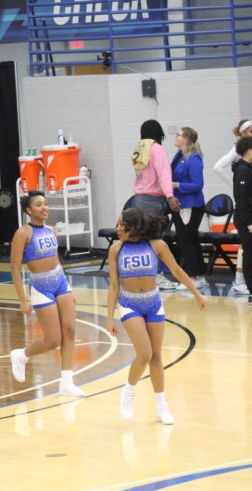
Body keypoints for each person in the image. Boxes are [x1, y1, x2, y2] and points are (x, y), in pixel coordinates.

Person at [107, 208, 207, 424]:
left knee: (156, 357)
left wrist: (197, 294)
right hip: (130, 304)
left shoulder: (157, 245)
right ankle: (129, 392)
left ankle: (162, 407)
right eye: (117, 225)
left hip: (153, 303)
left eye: (122, 225)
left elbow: (177, 270)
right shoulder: (116, 249)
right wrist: (109, 318)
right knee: (144, 354)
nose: (117, 229)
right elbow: (114, 285)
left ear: (135, 226)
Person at [8, 191, 85, 397]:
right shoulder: (23, 233)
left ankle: (66, 382)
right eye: (39, 204)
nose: (44, 208)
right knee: (53, 339)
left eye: (46, 204)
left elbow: (56, 259)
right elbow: (15, 268)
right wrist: (23, 299)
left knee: (70, 331)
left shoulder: (51, 230)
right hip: (41, 285)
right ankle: (22, 355)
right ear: (28, 210)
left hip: (60, 281)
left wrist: (68, 287)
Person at [132, 119, 179, 290]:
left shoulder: (139, 148)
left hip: (139, 199)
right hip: (152, 200)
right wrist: (170, 196)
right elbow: (164, 174)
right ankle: (157, 277)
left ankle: (144, 276)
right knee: (155, 239)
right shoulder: (156, 149)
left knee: (143, 240)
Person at [212, 119, 252, 295]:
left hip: (247, 207)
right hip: (245, 211)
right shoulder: (239, 154)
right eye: (250, 131)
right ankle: (242, 282)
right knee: (247, 250)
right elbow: (217, 167)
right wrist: (233, 185)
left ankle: (242, 281)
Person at [170, 127, 207, 290]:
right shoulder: (179, 155)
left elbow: (198, 185)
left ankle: (192, 277)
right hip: (180, 204)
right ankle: (199, 275)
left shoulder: (194, 158)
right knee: (191, 240)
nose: (176, 137)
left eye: (178, 135)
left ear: (186, 139)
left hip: (190, 204)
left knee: (186, 241)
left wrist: (177, 185)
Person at [233, 136, 252, 304]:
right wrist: (248, 223)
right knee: (249, 254)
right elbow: (241, 200)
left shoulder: (248, 169)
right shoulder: (241, 170)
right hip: (246, 219)